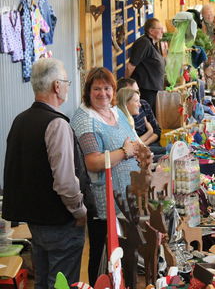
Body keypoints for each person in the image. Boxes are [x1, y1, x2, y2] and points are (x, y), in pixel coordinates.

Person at [2, 58, 88, 289]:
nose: (68, 87)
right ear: (57, 86)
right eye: (67, 82)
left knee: (43, 280)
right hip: (59, 220)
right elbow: (66, 182)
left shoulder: (20, 120)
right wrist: (80, 211)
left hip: (35, 220)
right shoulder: (56, 124)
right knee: (61, 283)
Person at [71, 67, 141, 284]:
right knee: (103, 256)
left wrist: (138, 152)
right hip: (103, 203)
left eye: (107, 88)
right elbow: (93, 161)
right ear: (88, 91)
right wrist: (124, 152)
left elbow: (135, 141)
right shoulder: (85, 120)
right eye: (97, 88)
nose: (103, 93)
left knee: (126, 253)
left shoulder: (116, 112)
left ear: (114, 90)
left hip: (127, 196)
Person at [126, 18, 166, 115]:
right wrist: (126, 85)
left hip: (152, 90)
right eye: (159, 29)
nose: (162, 31)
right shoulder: (144, 43)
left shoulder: (152, 43)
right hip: (145, 89)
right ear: (151, 31)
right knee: (145, 118)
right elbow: (130, 66)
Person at [117, 78, 164, 156]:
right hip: (137, 152)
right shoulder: (121, 117)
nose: (137, 94)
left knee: (169, 152)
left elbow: (158, 131)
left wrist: (145, 143)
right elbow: (132, 145)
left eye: (138, 91)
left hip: (150, 144)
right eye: (133, 92)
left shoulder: (143, 104)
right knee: (167, 154)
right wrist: (149, 131)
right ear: (124, 96)